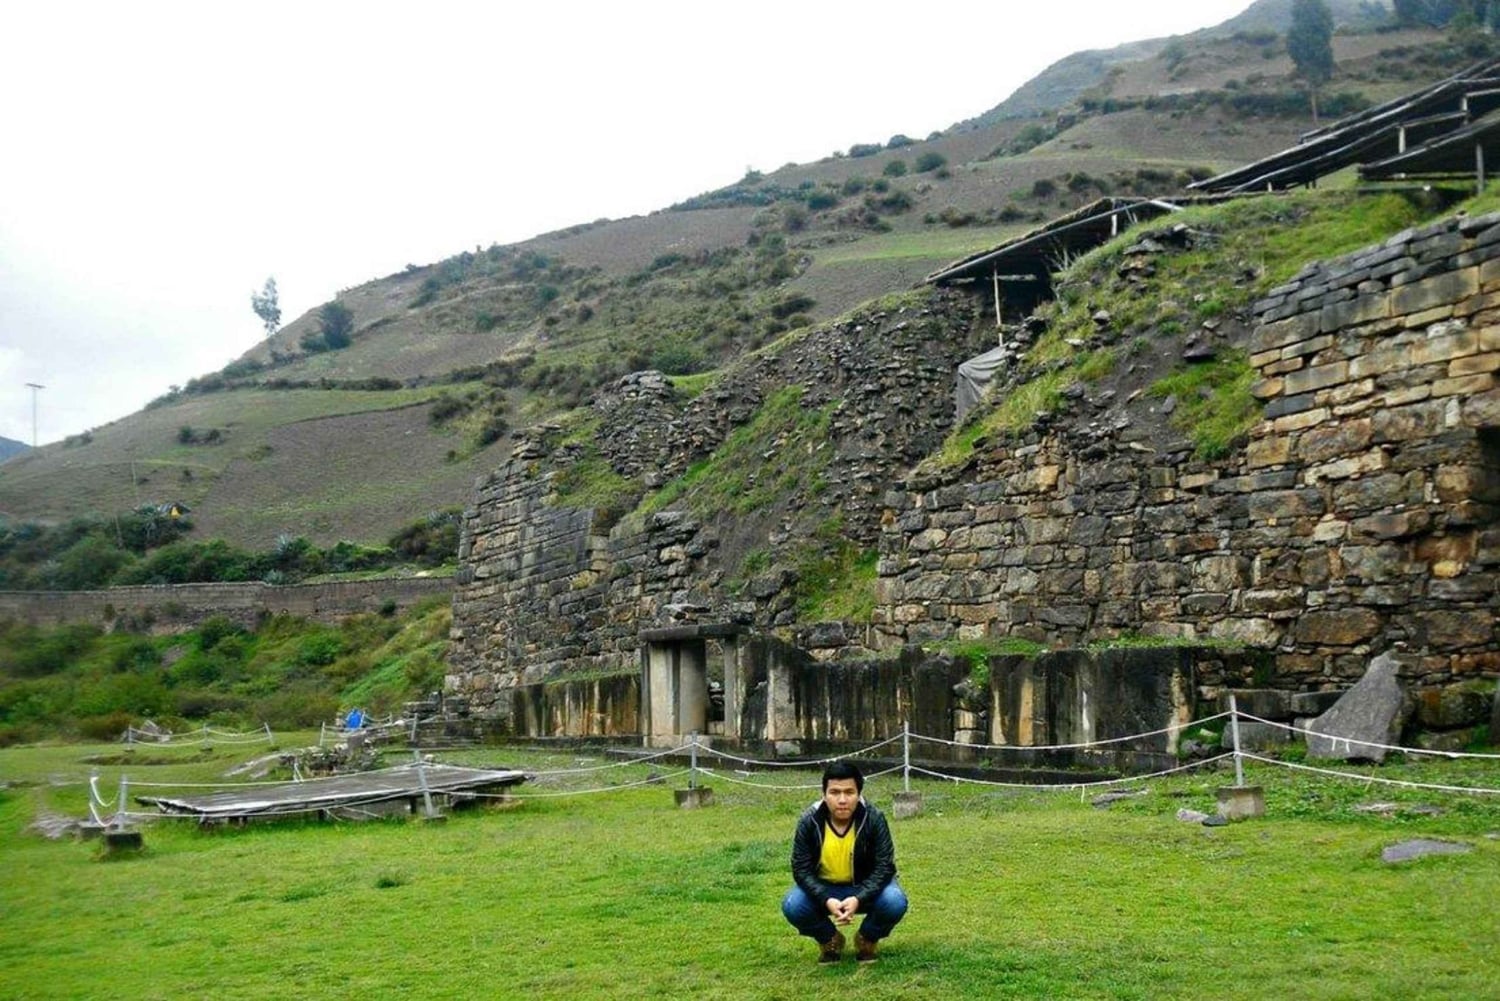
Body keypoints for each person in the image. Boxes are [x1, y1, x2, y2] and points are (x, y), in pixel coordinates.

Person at [781, 761, 907, 963]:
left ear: (859, 794)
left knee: (894, 901)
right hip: (824, 888)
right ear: (824, 794)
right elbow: (801, 869)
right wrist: (825, 898)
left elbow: (884, 866)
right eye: (834, 792)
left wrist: (858, 898)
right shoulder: (809, 821)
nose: (842, 800)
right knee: (793, 905)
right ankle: (829, 939)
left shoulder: (874, 818)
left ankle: (867, 938)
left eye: (849, 792)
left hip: (865, 887)